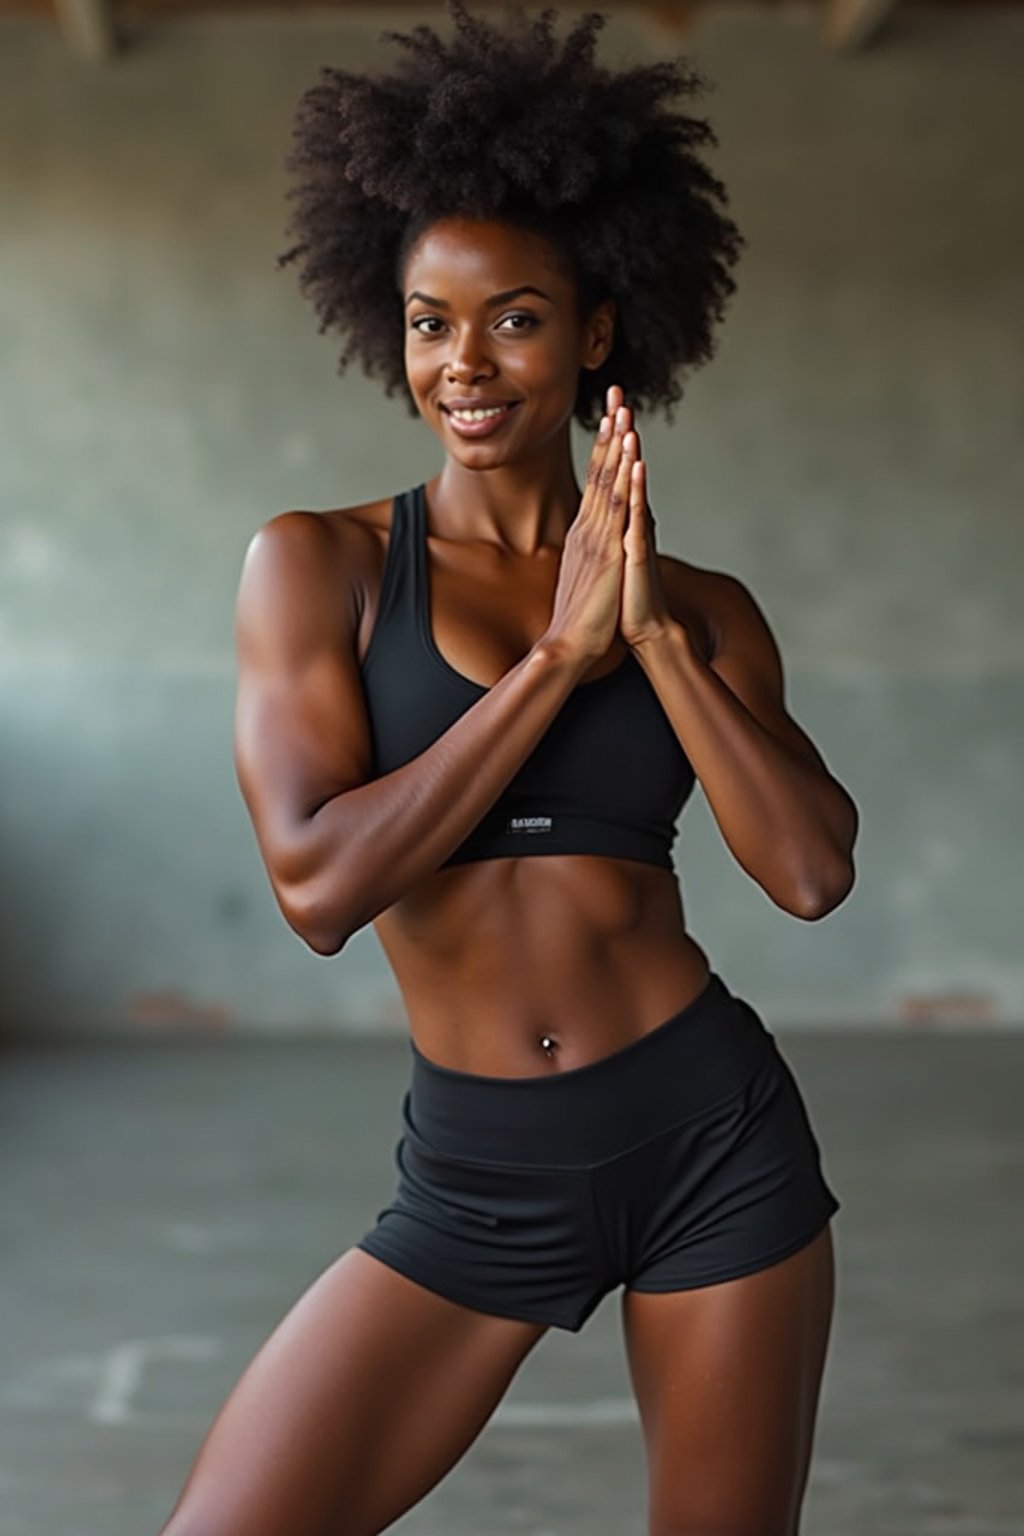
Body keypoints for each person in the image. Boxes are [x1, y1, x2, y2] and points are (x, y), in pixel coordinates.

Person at [159, 5, 858, 1534]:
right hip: (480, 1175)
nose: (464, 364)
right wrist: (552, 662)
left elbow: (808, 874)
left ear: (597, 331)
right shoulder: (319, 568)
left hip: (713, 1143)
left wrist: (650, 629)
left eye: (515, 318)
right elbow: (320, 889)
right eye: (428, 322)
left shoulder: (708, 607)